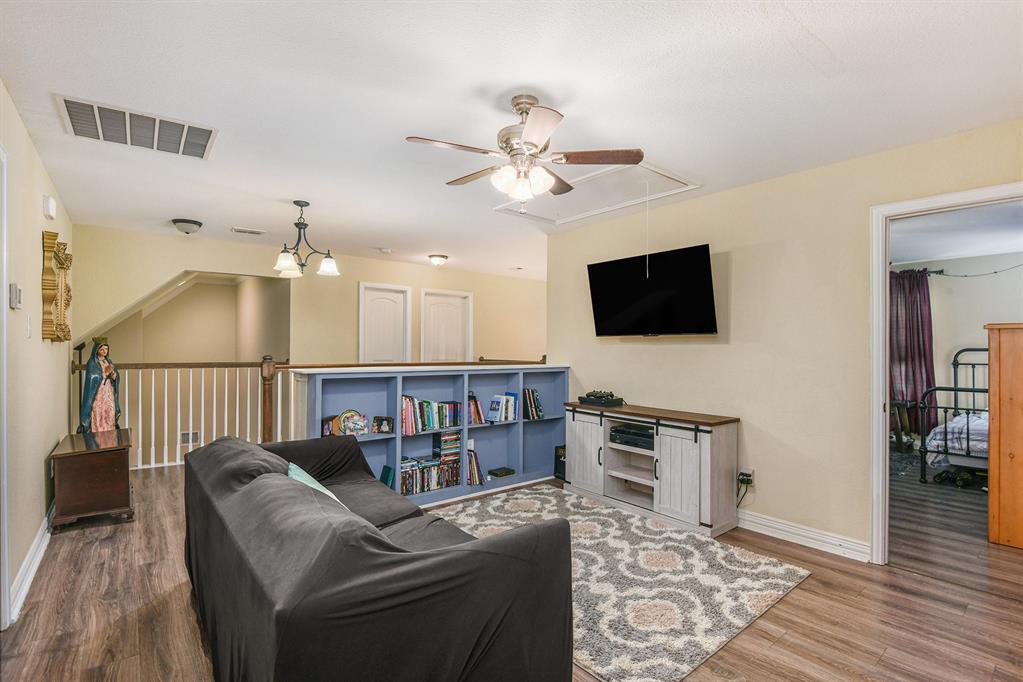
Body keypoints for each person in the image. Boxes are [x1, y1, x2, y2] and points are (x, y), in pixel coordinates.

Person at [79, 339, 120, 433]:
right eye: (102, 349)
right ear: (96, 350)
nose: (104, 351)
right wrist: (103, 374)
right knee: (98, 410)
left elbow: (115, 374)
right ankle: (98, 433)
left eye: (106, 349)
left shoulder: (108, 361)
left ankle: (109, 431)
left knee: (109, 410)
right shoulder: (92, 362)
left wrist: (114, 375)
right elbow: (92, 376)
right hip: (98, 391)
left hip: (108, 390)